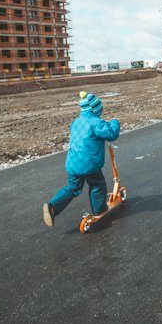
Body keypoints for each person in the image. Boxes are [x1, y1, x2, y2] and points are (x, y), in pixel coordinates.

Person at [43, 91, 120, 227]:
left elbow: (75, 129)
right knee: (97, 185)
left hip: (73, 163)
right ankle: (99, 210)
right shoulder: (96, 122)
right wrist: (115, 122)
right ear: (95, 109)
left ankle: (52, 207)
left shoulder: (76, 121)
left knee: (73, 188)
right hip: (89, 165)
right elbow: (111, 133)